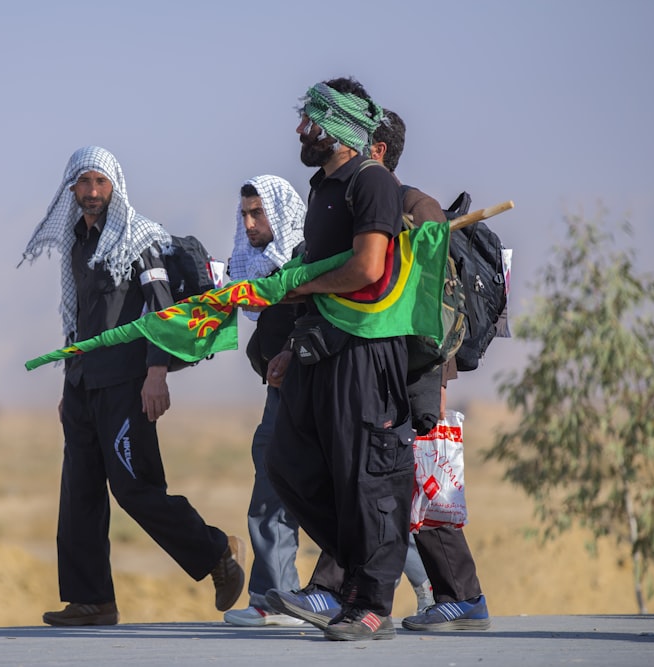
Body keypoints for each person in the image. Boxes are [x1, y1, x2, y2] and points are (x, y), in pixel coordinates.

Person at [267, 109, 490, 633]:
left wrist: (430, 390)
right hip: (348, 359)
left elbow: (431, 304)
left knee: (395, 485)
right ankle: (342, 589)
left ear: (378, 151)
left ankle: (453, 595)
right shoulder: (345, 198)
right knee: (367, 482)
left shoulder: (413, 205)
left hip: (407, 367)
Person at [20, 146, 246, 626]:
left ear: (115, 187)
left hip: (127, 383)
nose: (92, 193)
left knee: (135, 487)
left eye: (100, 183)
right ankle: (92, 600)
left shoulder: (139, 238)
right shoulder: (78, 241)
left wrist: (156, 374)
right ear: (71, 188)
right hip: (83, 383)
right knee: (78, 492)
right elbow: (79, 317)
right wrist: (68, 384)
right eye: (84, 183)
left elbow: (162, 309)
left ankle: (217, 552)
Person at [262, 77, 415, 642]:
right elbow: (324, 268)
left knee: (367, 477)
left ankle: (372, 602)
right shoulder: (323, 186)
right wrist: (287, 347)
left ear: (343, 127)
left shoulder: (371, 181)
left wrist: (300, 290)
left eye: (312, 121)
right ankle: (357, 574)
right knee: (290, 462)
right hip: (317, 347)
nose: (302, 131)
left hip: (366, 352)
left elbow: (367, 268)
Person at [222, 176, 308, 627]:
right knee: (273, 484)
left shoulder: (304, 258)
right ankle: (277, 598)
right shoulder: (268, 266)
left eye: (258, 214)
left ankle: (430, 585)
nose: (250, 223)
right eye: (245, 215)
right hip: (282, 393)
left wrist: (291, 351)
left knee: (345, 493)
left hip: (311, 392)